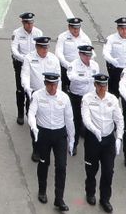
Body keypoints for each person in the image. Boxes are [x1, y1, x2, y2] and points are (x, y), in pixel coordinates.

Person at [29, 75, 75, 211]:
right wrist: (33, 127)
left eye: (54, 85)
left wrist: (71, 139)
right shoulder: (37, 96)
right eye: (49, 85)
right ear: (45, 84)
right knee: (43, 163)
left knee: (61, 166)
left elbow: (69, 119)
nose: (52, 88)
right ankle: (42, 190)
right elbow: (31, 113)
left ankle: (59, 198)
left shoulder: (64, 98)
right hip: (43, 133)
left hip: (59, 134)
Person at [83, 73, 123, 213]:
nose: (102, 88)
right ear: (95, 85)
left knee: (108, 171)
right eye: (100, 85)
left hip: (108, 140)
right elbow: (86, 119)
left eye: (104, 85)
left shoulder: (112, 99)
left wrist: (119, 138)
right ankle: (90, 192)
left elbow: (119, 119)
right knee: (91, 169)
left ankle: (105, 199)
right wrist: (94, 130)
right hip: (93, 139)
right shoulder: (87, 99)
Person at [13, 12, 42, 124]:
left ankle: (29, 113)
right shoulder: (17, 33)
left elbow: (40, 48)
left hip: (34, 64)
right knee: (21, 90)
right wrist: (24, 58)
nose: (29, 25)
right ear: (23, 23)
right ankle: (20, 113)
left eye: (31, 23)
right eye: (27, 23)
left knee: (33, 88)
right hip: (21, 63)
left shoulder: (38, 33)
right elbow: (14, 49)